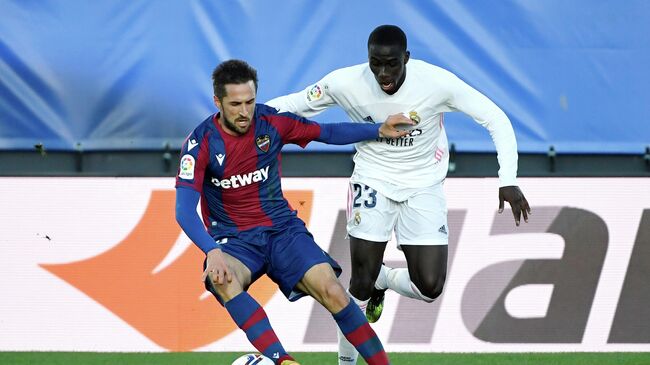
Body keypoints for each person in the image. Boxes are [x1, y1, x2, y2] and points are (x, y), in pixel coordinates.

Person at [267, 24, 532, 365]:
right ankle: (346, 362)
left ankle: (386, 278)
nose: (383, 73)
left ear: (406, 58)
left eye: (392, 64)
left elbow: (495, 118)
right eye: (376, 63)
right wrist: (239, 121)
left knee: (430, 286)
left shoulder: (437, 83)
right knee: (358, 282)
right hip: (372, 180)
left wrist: (506, 179)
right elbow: (294, 104)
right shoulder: (345, 83)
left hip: (423, 185)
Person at [175, 59, 412, 365]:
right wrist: (211, 251)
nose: (245, 112)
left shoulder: (271, 123)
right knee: (222, 279)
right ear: (217, 102)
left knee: (334, 291)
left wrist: (378, 129)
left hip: (283, 232)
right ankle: (283, 360)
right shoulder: (201, 142)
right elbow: (183, 211)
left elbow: (325, 132)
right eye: (235, 104)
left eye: (250, 101)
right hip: (234, 242)